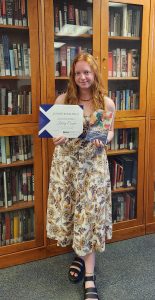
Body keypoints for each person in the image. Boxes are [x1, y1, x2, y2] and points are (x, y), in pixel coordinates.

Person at [46, 52, 115, 300]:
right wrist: (57, 137)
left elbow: (110, 134)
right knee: (73, 213)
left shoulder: (106, 104)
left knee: (89, 216)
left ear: (94, 73)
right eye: (78, 73)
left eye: (87, 72)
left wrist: (103, 139)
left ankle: (89, 277)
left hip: (93, 168)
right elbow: (55, 133)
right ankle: (79, 254)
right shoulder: (63, 100)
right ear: (72, 76)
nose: (82, 77)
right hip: (67, 167)